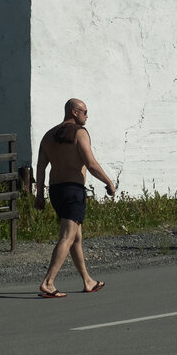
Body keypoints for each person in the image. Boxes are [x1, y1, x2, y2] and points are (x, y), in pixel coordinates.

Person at [35, 98, 116, 298]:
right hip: (73, 190)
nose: (87, 116)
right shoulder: (80, 133)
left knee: (76, 237)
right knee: (68, 236)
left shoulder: (48, 135)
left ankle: (87, 281)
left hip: (56, 190)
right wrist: (109, 182)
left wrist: (39, 195)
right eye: (85, 111)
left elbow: (40, 166)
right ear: (74, 112)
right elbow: (90, 163)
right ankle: (48, 282)